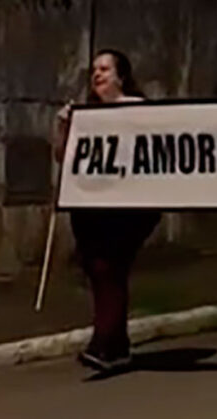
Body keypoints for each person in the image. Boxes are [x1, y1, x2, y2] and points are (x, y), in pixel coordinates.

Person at [54, 50, 160, 372]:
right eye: (94, 70)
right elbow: (65, 158)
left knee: (108, 267)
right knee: (101, 272)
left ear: (121, 77)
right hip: (92, 210)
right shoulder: (86, 114)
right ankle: (117, 346)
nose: (97, 75)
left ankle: (101, 344)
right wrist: (64, 127)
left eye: (105, 69)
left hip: (129, 209)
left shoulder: (139, 110)